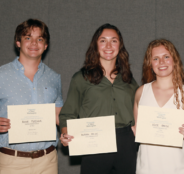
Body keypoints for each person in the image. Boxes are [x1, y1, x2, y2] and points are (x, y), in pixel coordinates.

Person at [0, 19, 63, 174]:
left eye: (40, 39)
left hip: (48, 161)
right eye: (28, 38)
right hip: (12, 163)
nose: (34, 43)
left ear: (45, 45)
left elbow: (58, 114)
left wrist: (69, 130)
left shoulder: (54, 78)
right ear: (18, 42)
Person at [59, 23, 138, 174]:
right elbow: (67, 114)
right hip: (95, 141)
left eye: (113, 40)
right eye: (103, 40)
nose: (108, 45)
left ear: (119, 45)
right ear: (95, 45)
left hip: (126, 143)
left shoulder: (129, 79)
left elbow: (139, 109)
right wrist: (65, 132)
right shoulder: (81, 78)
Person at [134, 39, 184, 174]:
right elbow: (138, 131)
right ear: (150, 63)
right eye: (155, 58)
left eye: (166, 57)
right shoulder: (141, 93)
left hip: (182, 170)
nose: (161, 62)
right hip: (147, 169)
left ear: (174, 60)